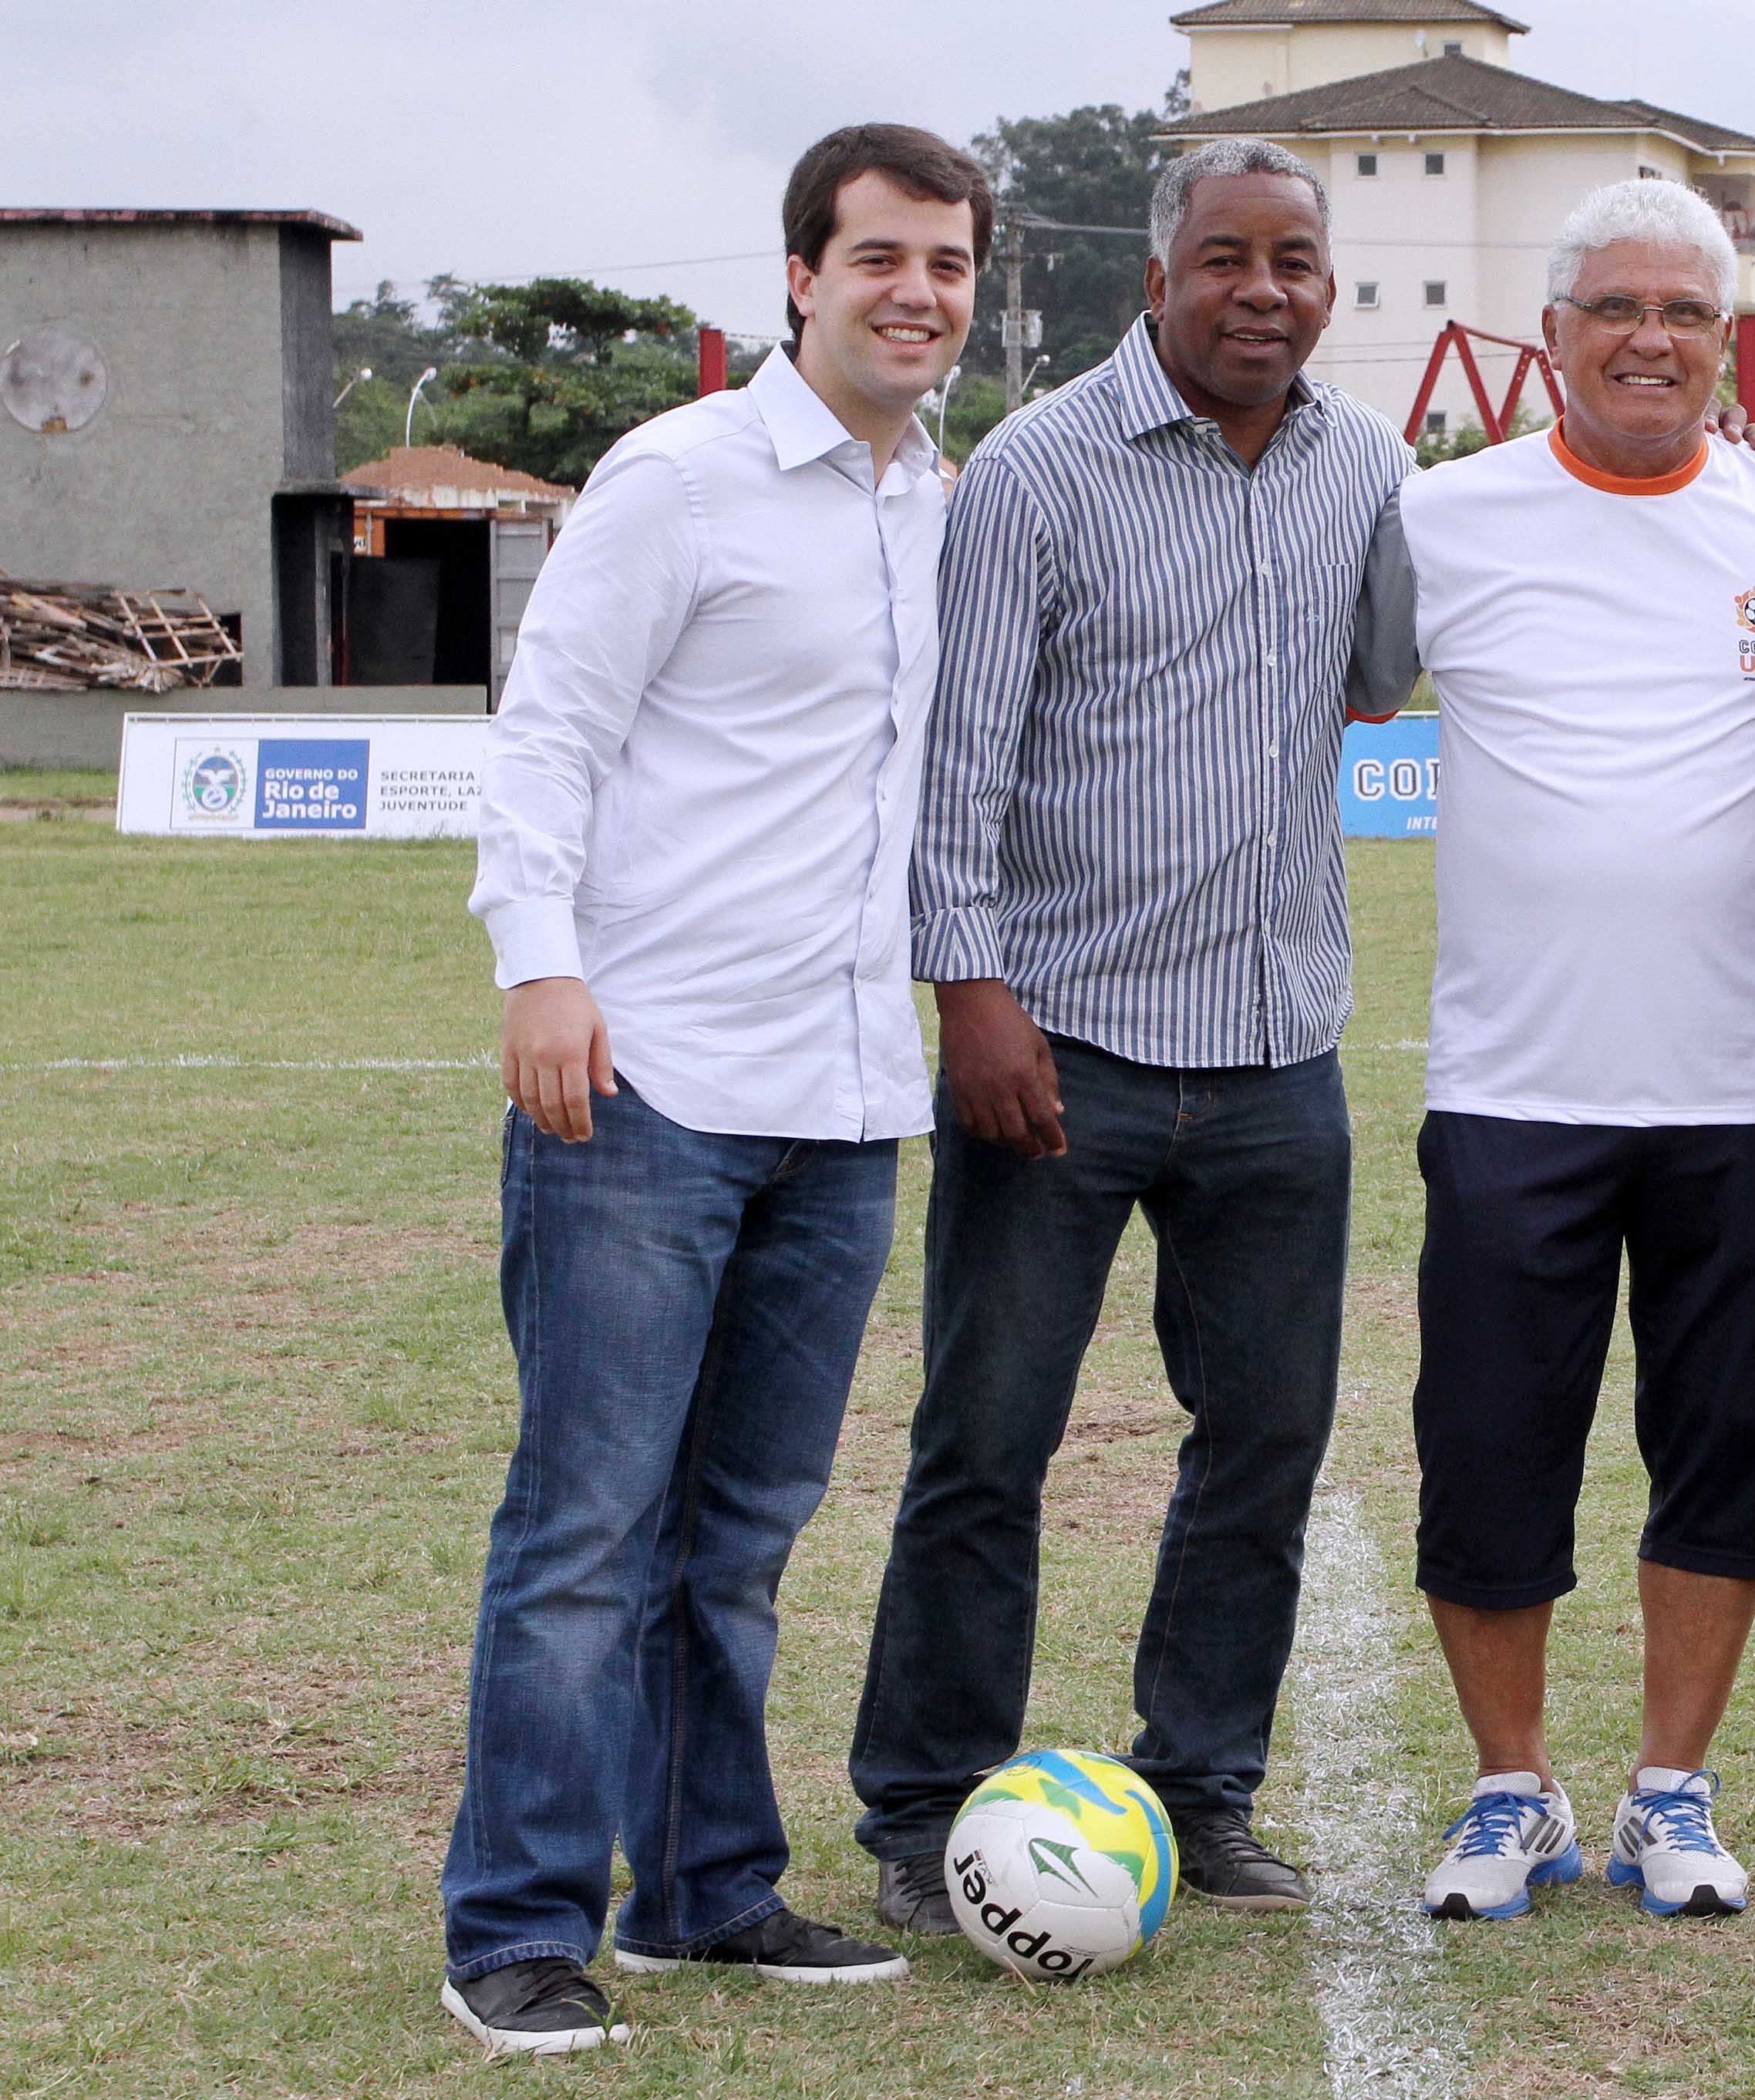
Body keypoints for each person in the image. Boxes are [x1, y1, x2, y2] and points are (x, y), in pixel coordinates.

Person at [441, 124, 988, 2055]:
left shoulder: (945, 499)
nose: (917, 293)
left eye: (946, 263)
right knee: (586, 1529)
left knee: (740, 1535)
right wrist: (542, 970)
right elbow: (550, 738)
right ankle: (517, 1919)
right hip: (646, 1083)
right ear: (798, 278)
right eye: (880, 260)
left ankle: (704, 1889)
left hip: (846, 1101)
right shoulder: (677, 480)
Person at [847, 136, 1415, 1925]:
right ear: (1154, 281)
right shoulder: (1035, 470)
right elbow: (963, 762)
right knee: (986, 1440)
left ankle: (1203, 1788)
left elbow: (1380, 679)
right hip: (1063, 1048)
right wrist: (976, 994)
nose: (1267, 291)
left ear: (1331, 287)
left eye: (1299, 262)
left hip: (1275, 1054)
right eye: (1230, 259)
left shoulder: (1365, 464)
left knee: (1266, 1440)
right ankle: (924, 1809)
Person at [1382, 178, 1755, 1925]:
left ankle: (1674, 1789)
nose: (1651, 337)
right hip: (1513, 1081)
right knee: (1492, 1448)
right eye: (1616, 309)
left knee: (1728, 1447)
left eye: (1686, 310)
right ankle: (1510, 1790)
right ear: (1556, 335)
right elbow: (1331, 691)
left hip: (1753, 1087)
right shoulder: (1444, 517)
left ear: (1727, 336)